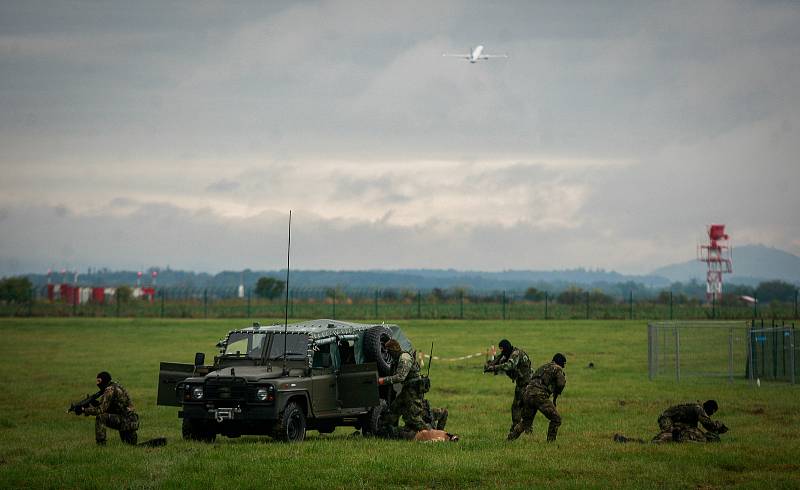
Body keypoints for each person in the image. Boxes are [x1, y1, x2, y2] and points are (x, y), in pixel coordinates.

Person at [508, 353, 567, 442]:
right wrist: (557, 393)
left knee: (526, 422)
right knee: (556, 419)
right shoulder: (557, 368)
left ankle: (510, 439)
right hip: (539, 396)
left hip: (527, 394)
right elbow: (561, 383)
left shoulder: (544, 367)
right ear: (561, 362)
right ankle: (550, 443)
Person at [377, 339, 428, 438]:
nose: (388, 354)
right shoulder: (397, 358)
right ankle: (385, 432)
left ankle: (428, 434)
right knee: (394, 409)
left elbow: (400, 377)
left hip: (413, 390)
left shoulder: (404, 358)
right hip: (407, 389)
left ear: (394, 349)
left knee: (414, 417)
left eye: (389, 351)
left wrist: (382, 381)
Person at [484, 339, 532, 436]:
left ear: (505, 348)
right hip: (522, 383)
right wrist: (491, 364)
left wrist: (494, 368)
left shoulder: (515, 354)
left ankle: (521, 429)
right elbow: (500, 359)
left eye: (502, 349)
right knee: (520, 407)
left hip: (527, 384)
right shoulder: (509, 353)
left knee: (520, 407)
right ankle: (521, 429)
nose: (501, 351)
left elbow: (509, 365)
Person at [82, 371, 139, 445]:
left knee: (101, 417)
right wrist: (94, 404)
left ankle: (101, 445)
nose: (97, 383)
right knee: (130, 446)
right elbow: (108, 406)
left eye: (99, 381)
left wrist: (83, 410)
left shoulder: (110, 389)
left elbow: (100, 410)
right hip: (129, 421)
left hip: (126, 422)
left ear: (104, 380)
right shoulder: (115, 386)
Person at [651, 400, 728, 443]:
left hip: (670, 419)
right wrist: (719, 426)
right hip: (666, 419)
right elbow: (707, 424)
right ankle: (657, 441)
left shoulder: (697, 408)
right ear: (711, 409)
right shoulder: (699, 409)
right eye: (713, 412)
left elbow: (691, 427)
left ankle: (658, 440)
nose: (711, 414)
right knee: (672, 435)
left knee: (680, 433)